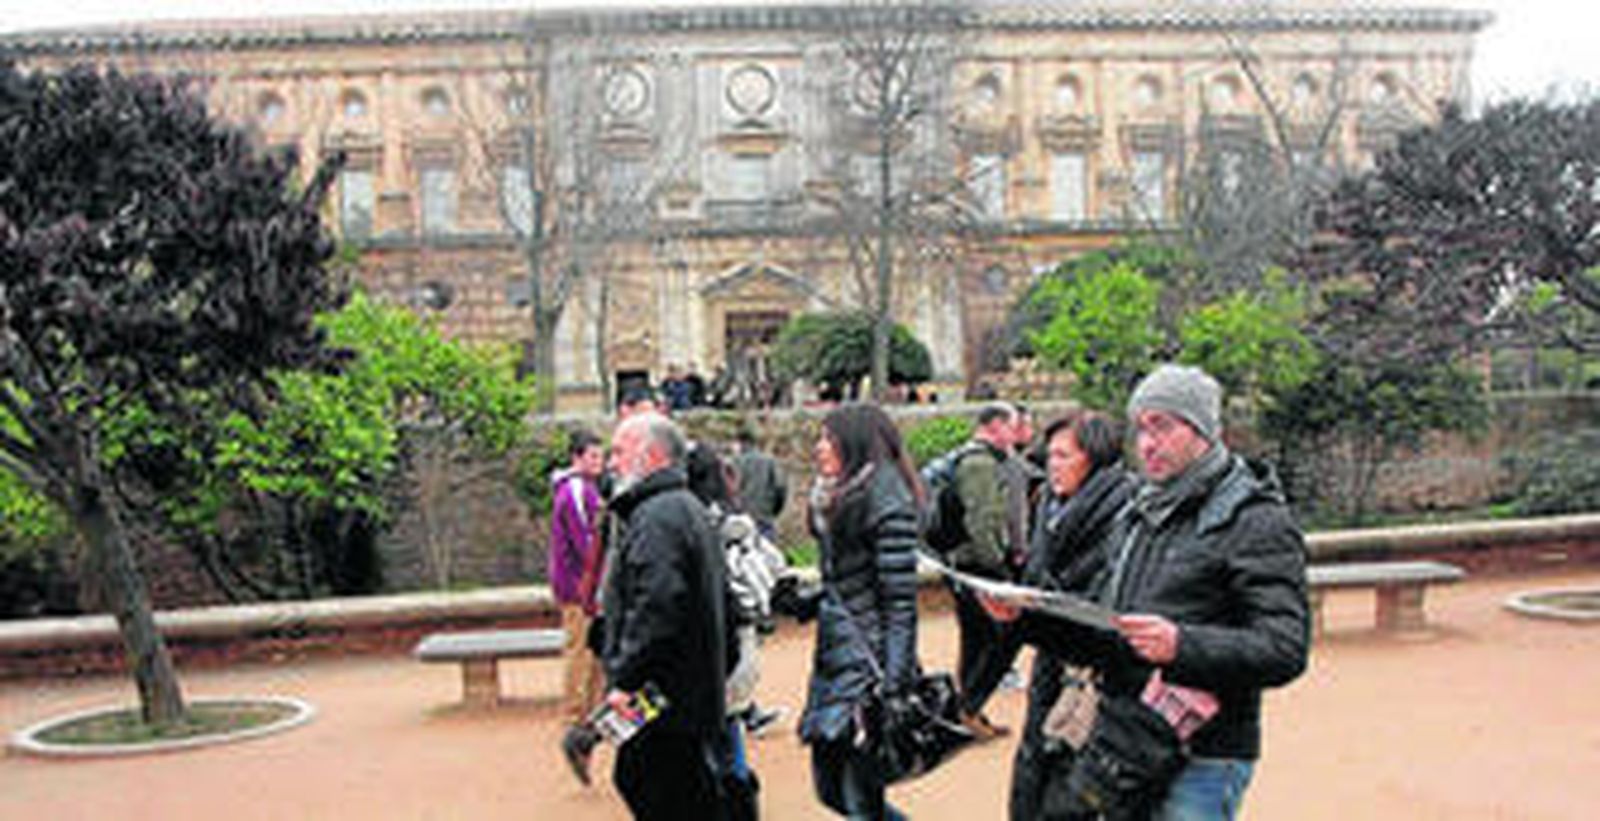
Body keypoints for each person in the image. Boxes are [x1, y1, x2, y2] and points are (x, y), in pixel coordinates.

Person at [991, 364, 1310, 820]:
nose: (1146, 443)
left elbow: (1285, 648)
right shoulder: (1137, 514)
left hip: (1206, 752)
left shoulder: (1254, 519)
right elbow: (1108, 635)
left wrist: (1183, 645)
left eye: (1162, 426)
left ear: (1203, 430)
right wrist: (1025, 618)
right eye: (1140, 428)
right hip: (1130, 742)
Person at [601, 413, 732, 820]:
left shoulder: (658, 517)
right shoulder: (685, 508)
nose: (611, 462)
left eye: (619, 452)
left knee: (652, 782)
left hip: (664, 695)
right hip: (685, 690)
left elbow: (657, 606)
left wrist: (627, 679)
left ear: (653, 455)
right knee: (679, 787)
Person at [1005, 411, 1135, 820]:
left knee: (1072, 797)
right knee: (1033, 785)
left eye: (1064, 456)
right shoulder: (1050, 504)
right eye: (1051, 456)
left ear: (1094, 459)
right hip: (1050, 660)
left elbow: (1108, 599)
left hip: (1094, 676)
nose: (1052, 465)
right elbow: (1036, 574)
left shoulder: (1126, 511)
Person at [797, 403, 922, 821]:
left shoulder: (886, 498)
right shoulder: (838, 496)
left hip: (868, 668)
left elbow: (901, 603)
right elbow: (847, 582)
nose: (819, 448)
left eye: (828, 439)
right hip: (838, 657)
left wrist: (895, 685)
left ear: (853, 443)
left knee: (859, 798)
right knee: (829, 789)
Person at [948, 402, 1023, 738]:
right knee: (1001, 639)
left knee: (977, 639)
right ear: (994, 426)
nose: (1016, 434)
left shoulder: (975, 458)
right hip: (978, 565)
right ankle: (968, 707)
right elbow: (981, 520)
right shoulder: (979, 463)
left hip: (967, 562)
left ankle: (968, 711)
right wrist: (997, 565)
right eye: (1012, 426)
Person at [549, 430, 607, 784]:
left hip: (581, 588)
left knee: (592, 655)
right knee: (580, 654)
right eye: (593, 457)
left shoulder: (583, 488)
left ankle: (586, 718)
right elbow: (588, 543)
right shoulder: (575, 490)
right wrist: (597, 585)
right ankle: (573, 719)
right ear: (577, 457)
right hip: (578, 590)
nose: (599, 464)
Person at [731, 421, 789, 544]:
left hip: (741, 521)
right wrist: (773, 510)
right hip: (765, 517)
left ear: (739, 443)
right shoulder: (769, 462)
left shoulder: (734, 463)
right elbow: (780, 487)